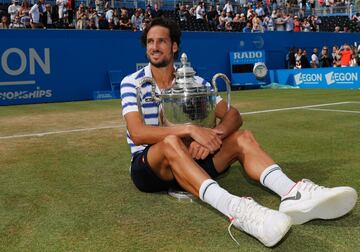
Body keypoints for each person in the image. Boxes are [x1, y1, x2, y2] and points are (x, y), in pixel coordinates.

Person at [120, 17, 357, 247]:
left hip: (193, 160)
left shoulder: (196, 82)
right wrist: (193, 130)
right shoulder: (133, 82)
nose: (154, 47)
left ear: (174, 46)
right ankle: (237, 211)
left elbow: (234, 115)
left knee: (242, 137)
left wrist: (216, 135)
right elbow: (137, 132)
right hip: (151, 166)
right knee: (172, 141)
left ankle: (293, 194)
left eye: (161, 41)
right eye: (150, 42)